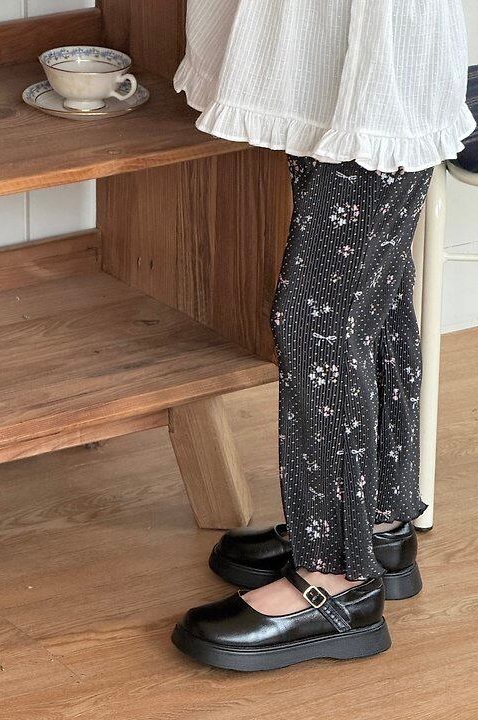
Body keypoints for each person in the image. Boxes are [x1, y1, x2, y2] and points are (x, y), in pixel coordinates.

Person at [171, 0, 475, 672]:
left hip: (374, 29)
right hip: (335, 33)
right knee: (370, 291)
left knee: (323, 317)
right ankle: (377, 524)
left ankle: (335, 579)